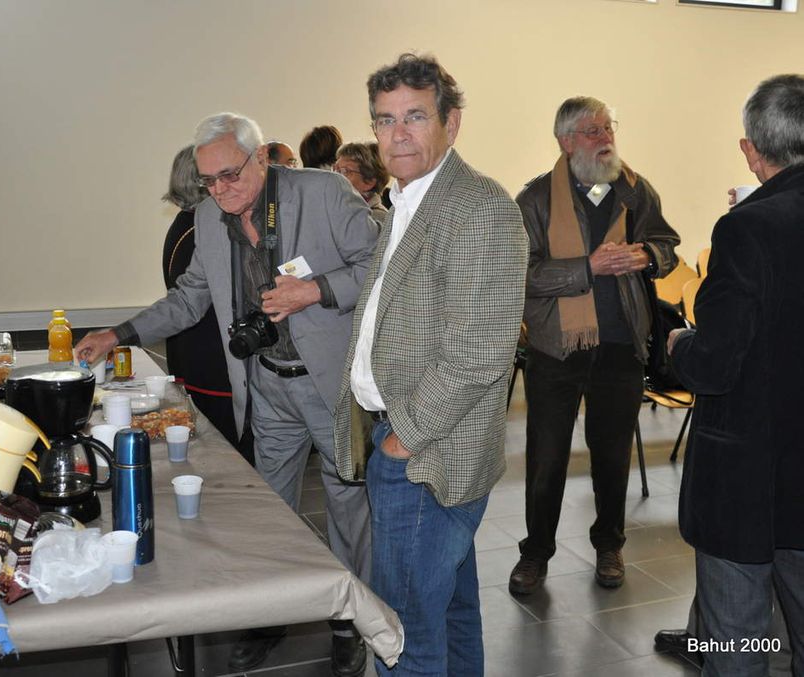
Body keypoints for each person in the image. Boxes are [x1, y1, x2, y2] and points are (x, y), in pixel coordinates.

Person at [75, 112, 377, 677]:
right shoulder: (211, 218)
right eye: (208, 181)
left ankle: (346, 618)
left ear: (262, 157)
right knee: (269, 511)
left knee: (347, 503)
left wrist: (314, 290)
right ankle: (268, 615)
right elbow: (189, 297)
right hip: (265, 385)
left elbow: (381, 268)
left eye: (230, 175)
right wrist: (119, 333)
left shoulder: (325, 193)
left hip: (329, 383)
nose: (220, 191)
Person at [333, 53, 528, 676]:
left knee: (403, 635)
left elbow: (477, 352)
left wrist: (400, 440)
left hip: (426, 453)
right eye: (384, 121)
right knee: (449, 612)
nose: (398, 134)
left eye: (415, 116)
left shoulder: (478, 207)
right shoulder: (406, 200)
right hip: (413, 441)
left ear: (453, 122)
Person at [508, 96, 679, 595]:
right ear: (564, 141)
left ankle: (610, 545)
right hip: (555, 348)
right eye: (591, 130)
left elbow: (667, 244)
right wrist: (588, 269)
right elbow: (521, 275)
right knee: (547, 459)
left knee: (610, 454)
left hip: (621, 344)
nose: (605, 137)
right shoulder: (535, 200)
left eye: (608, 127)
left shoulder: (634, 189)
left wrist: (646, 255)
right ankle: (535, 553)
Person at [666, 73, 804, 677]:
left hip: (752, 477)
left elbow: (717, 364)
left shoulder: (748, 227)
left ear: (752, 150)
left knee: (737, 642)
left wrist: (678, 344)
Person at [159, 145, 251, 462]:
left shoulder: (186, 225)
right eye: (215, 177)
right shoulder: (203, 228)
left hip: (196, 359)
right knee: (230, 460)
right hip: (213, 365)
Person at [334, 142, 389, 225]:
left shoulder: (376, 219)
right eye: (335, 169)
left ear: (369, 182)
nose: (335, 176)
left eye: (345, 171)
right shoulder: (336, 209)